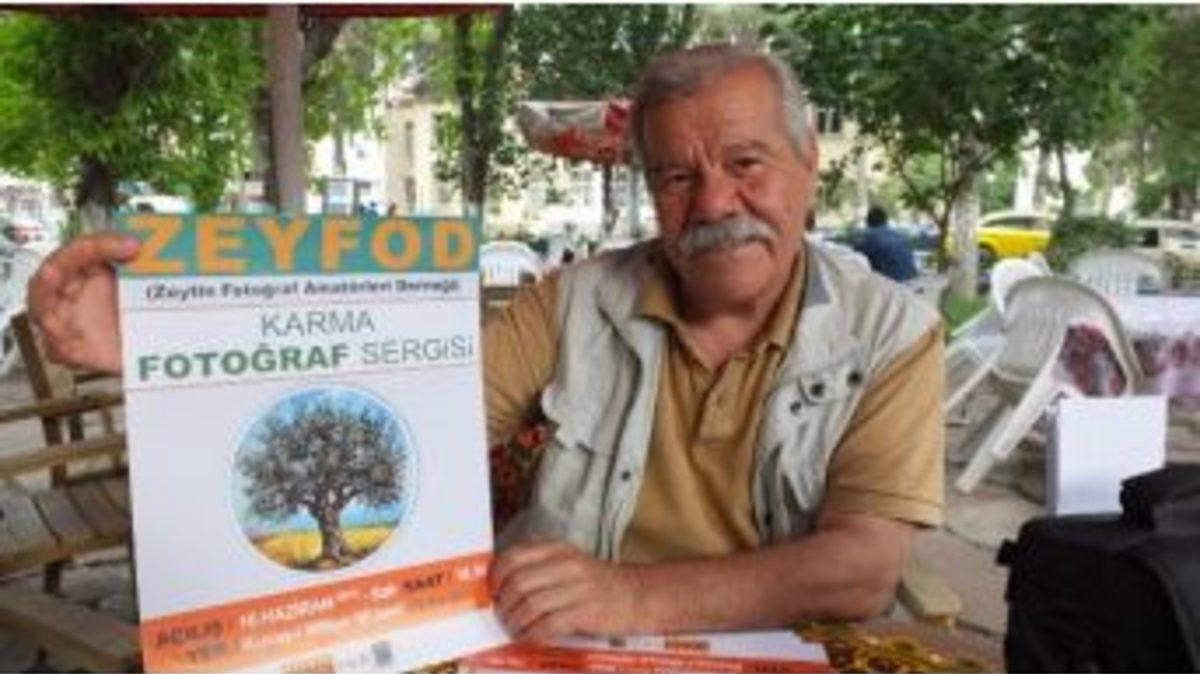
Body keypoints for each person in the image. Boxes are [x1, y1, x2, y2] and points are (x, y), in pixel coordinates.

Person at [27, 45, 944, 641]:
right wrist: (167, 347)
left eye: (746, 163)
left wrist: (631, 595)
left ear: (807, 159)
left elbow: (860, 570)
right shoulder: (574, 299)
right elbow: (409, 421)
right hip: (559, 649)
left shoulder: (892, 334)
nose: (711, 203)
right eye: (675, 177)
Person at [853, 205, 919, 282]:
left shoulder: (868, 236)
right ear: (886, 220)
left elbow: (855, 259)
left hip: (889, 282)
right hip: (910, 279)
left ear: (867, 221)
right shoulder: (901, 236)